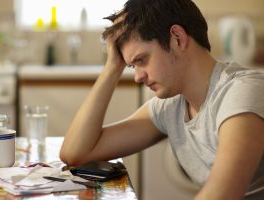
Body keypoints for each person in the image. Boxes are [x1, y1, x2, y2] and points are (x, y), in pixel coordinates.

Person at [60, 0, 264, 199]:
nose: (138, 76)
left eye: (142, 60)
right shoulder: (171, 106)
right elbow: (76, 153)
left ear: (177, 37)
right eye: (132, 66)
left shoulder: (242, 92)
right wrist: (113, 67)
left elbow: (223, 194)